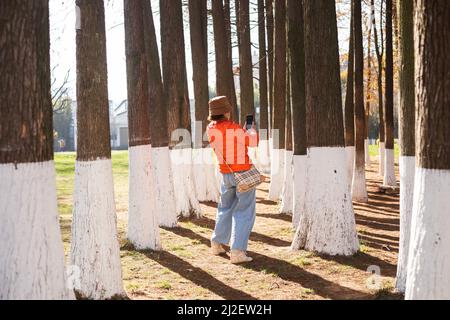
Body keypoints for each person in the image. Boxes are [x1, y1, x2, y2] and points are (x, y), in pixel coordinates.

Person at [207, 96, 259, 264]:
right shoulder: (235, 128)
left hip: (226, 174)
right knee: (244, 211)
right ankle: (237, 251)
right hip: (243, 174)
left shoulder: (210, 128)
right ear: (227, 111)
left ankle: (217, 243)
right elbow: (253, 142)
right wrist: (250, 129)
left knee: (225, 208)